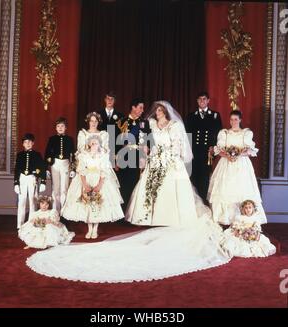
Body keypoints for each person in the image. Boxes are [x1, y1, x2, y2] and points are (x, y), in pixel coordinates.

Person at [25, 102, 232, 284]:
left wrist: (152, 155)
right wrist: (126, 157)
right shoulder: (130, 122)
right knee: (134, 188)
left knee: (162, 189)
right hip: (133, 158)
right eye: (151, 109)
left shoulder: (161, 124)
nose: (154, 112)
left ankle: (170, 216)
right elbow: (130, 140)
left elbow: (157, 142)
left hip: (157, 159)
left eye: (157, 110)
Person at [126, 100, 198, 226]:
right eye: (156, 110)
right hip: (154, 158)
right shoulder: (152, 124)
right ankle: (146, 217)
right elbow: (143, 136)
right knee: (149, 187)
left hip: (169, 159)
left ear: (165, 112)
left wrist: (169, 156)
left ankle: (167, 218)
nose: (157, 112)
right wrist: (144, 148)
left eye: (160, 110)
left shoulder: (174, 125)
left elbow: (177, 144)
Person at [61, 120, 123, 238]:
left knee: (98, 202)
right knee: (88, 203)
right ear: (89, 144)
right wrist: (84, 184)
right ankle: (89, 229)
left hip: (99, 179)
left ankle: (95, 228)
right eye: (92, 143)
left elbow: (104, 171)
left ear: (100, 144)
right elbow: (81, 170)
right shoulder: (84, 155)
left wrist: (100, 184)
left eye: (97, 143)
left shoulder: (103, 156)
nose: (94, 145)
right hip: (87, 179)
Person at [207, 110, 267, 225]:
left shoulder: (246, 133)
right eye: (231, 119)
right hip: (226, 164)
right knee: (225, 190)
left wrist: (237, 155)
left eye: (235, 119)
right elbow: (218, 150)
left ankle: (244, 218)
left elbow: (250, 151)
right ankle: (225, 219)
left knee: (241, 189)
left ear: (240, 120)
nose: (233, 122)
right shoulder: (224, 133)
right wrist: (228, 156)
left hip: (242, 165)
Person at [185, 92, 222, 203]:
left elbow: (219, 134)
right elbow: (187, 135)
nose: (202, 101)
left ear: (208, 100)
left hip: (208, 152)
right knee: (194, 176)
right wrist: (188, 152)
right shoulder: (191, 116)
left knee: (205, 178)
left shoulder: (215, 115)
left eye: (204, 99)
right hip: (194, 152)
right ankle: (195, 202)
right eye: (200, 99)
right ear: (197, 101)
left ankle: (204, 202)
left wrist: (214, 148)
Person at [116, 98, 152, 210]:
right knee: (123, 184)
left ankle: (132, 212)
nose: (142, 110)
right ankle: (122, 212)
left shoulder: (144, 123)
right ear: (133, 107)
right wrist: (115, 159)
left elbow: (149, 140)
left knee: (136, 184)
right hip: (124, 156)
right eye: (140, 107)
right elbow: (114, 142)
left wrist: (147, 152)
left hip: (138, 157)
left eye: (143, 108)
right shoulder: (122, 121)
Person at [14, 133, 46, 229]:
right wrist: (16, 183)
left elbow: (42, 168)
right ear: (23, 144)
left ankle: (32, 222)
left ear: (33, 143)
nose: (28, 144)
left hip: (32, 178)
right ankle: (20, 224)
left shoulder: (37, 155)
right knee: (21, 201)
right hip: (22, 178)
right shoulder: (20, 155)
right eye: (25, 142)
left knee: (33, 201)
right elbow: (17, 169)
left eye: (30, 142)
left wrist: (43, 181)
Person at [44, 117, 75, 213]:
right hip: (55, 164)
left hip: (66, 164)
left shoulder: (70, 139)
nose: (60, 128)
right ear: (56, 128)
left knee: (64, 189)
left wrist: (73, 169)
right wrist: (47, 168)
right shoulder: (52, 139)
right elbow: (47, 153)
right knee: (55, 189)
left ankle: (64, 213)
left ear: (66, 128)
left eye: (62, 126)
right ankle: (55, 211)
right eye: (58, 126)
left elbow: (73, 155)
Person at [98, 91, 124, 165]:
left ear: (114, 101)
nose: (109, 101)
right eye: (108, 98)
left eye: (112, 99)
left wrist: (119, 152)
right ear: (105, 100)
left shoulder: (120, 116)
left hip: (115, 149)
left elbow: (121, 135)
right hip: (101, 147)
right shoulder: (98, 114)